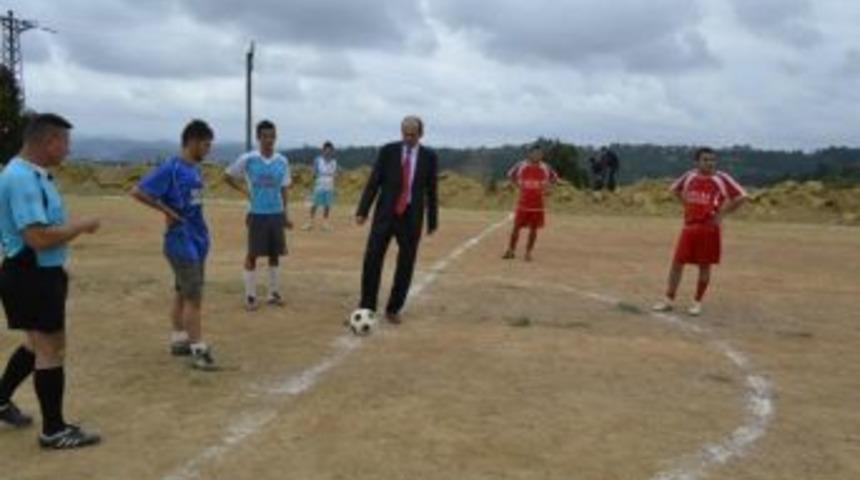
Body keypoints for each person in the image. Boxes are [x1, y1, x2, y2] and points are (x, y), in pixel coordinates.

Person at [0, 113, 102, 449]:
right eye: (66, 143)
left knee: (35, 344)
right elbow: (38, 237)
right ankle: (54, 430)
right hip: (31, 274)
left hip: (38, 272)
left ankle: (0, 399)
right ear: (49, 142)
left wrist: (58, 266)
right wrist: (81, 226)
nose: (68, 150)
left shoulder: (34, 175)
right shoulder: (22, 178)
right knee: (51, 349)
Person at [130, 119, 217, 370]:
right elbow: (138, 191)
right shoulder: (171, 168)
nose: (208, 149)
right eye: (206, 144)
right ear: (192, 142)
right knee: (194, 297)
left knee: (182, 291)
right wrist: (165, 210)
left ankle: (179, 339)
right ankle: (198, 348)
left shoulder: (195, 170)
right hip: (181, 241)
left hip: (198, 239)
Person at [356, 116, 438, 324]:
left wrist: (432, 220)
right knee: (372, 258)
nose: (408, 138)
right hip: (385, 213)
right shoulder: (388, 151)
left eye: (413, 134)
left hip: (412, 216)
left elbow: (432, 190)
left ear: (421, 134)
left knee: (406, 263)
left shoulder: (429, 157)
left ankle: (394, 308)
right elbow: (374, 181)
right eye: (405, 133)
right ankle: (367, 306)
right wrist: (363, 210)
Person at [652, 147, 747, 316]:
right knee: (677, 264)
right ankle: (668, 299)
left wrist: (721, 214)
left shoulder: (721, 178)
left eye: (712, 160)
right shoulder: (690, 176)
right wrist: (686, 203)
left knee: (704, 265)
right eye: (705, 160)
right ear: (697, 162)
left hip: (709, 229)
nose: (710, 163)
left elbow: (742, 196)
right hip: (689, 227)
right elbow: (674, 189)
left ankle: (697, 302)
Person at [223, 120, 292, 311]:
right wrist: (245, 192)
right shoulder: (249, 159)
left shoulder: (282, 161)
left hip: (276, 213)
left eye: (272, 136)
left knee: (274, 254)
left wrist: (286, 214)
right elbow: (227, 176)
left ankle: (273, 293)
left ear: (275, 137)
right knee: (252, 254)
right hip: (256, 213)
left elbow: (285, 188)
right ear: (258, 138)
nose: (269, 140)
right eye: (264, 136)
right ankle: (251, 296)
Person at [502, 143, 559, 262]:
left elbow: (554, 178)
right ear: (530, 154)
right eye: (535, 153)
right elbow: (510, 175)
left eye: (540, 154)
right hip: (523, 203)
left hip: (537, 205)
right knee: (516, 227)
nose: (537, 155)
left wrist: (548, 188)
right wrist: (515, 185)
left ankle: (528, 252)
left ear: (542, 155)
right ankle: (511, 250)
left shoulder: (545, 167)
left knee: (534, 229)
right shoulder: (521, 165)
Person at [303, 141, 338, 231]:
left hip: (329, 185)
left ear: (332, 151)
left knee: (327, 205)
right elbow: (314, 172)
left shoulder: (334, 162)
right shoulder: (318, 160)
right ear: (323, 150)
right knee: (315, 204)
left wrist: (333, 178)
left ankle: (325, 224)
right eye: (326, 150)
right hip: (319, 184)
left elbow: (334, 173)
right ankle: (310, 223)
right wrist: (313, 180)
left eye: (330, 150)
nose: (328, 152)